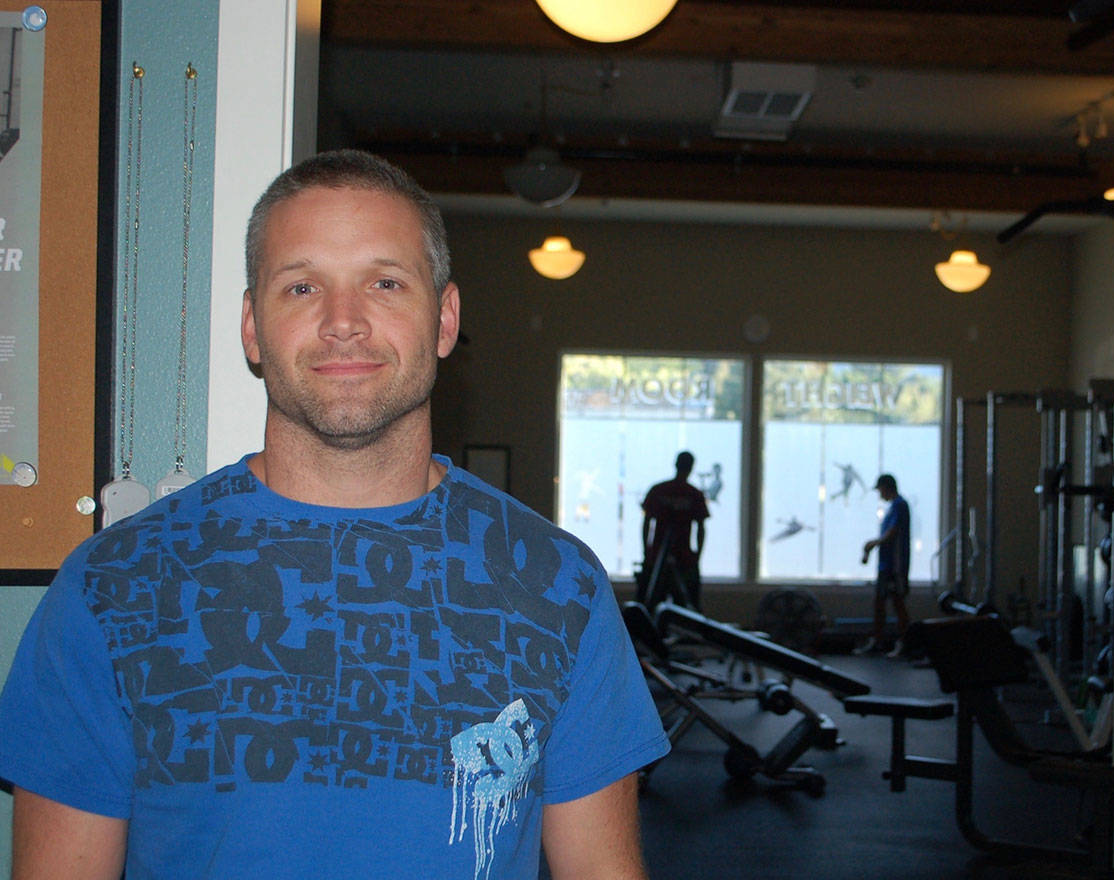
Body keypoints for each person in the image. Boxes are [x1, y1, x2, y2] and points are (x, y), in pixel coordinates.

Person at [0, 150, 669, 880]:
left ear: (444, 319)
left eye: (384, 282)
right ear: (254, 327)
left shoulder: (558, 584)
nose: (342, 322)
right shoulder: (112, 587)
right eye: (301, 287)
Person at [640, 451, 710, 611]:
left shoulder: (658, 490)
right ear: (691, 467)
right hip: (680, 557)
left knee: (651, 606)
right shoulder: (694, 494)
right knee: (687, 611)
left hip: (662, 556)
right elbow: (700, 528)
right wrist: (697, 556)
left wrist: (647, 551)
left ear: (676, 464)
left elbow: (646, 524)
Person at [856, 474, 912, 658]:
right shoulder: (893, 507)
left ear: (886, 487)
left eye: (880, 489)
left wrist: (874, 544)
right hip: (886, 565)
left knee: (897, 602)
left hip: (895, 566)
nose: (879, 493)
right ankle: (878, 640)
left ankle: (905, 642)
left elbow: (893, 532)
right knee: (880, 602)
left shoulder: (899, 505)